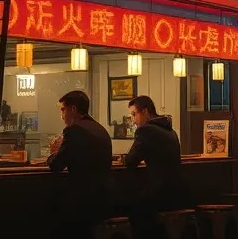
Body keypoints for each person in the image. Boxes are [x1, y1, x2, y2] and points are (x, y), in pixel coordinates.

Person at [48, 89, 113, 219]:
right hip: (105, 198)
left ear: (73, 109)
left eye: (62, 110)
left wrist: (54, 152)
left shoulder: (74, 130)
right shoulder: (100, 128)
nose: (61, 115)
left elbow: (56, 164)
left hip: (82, 202)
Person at [124, 95, 183, 213]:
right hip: (178, 193)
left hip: (158, 195)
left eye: (134, 114)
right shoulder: (171, 131)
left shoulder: (145, 130)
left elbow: (130, 161)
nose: (133, 120)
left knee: (126, 205)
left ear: (145, 112)